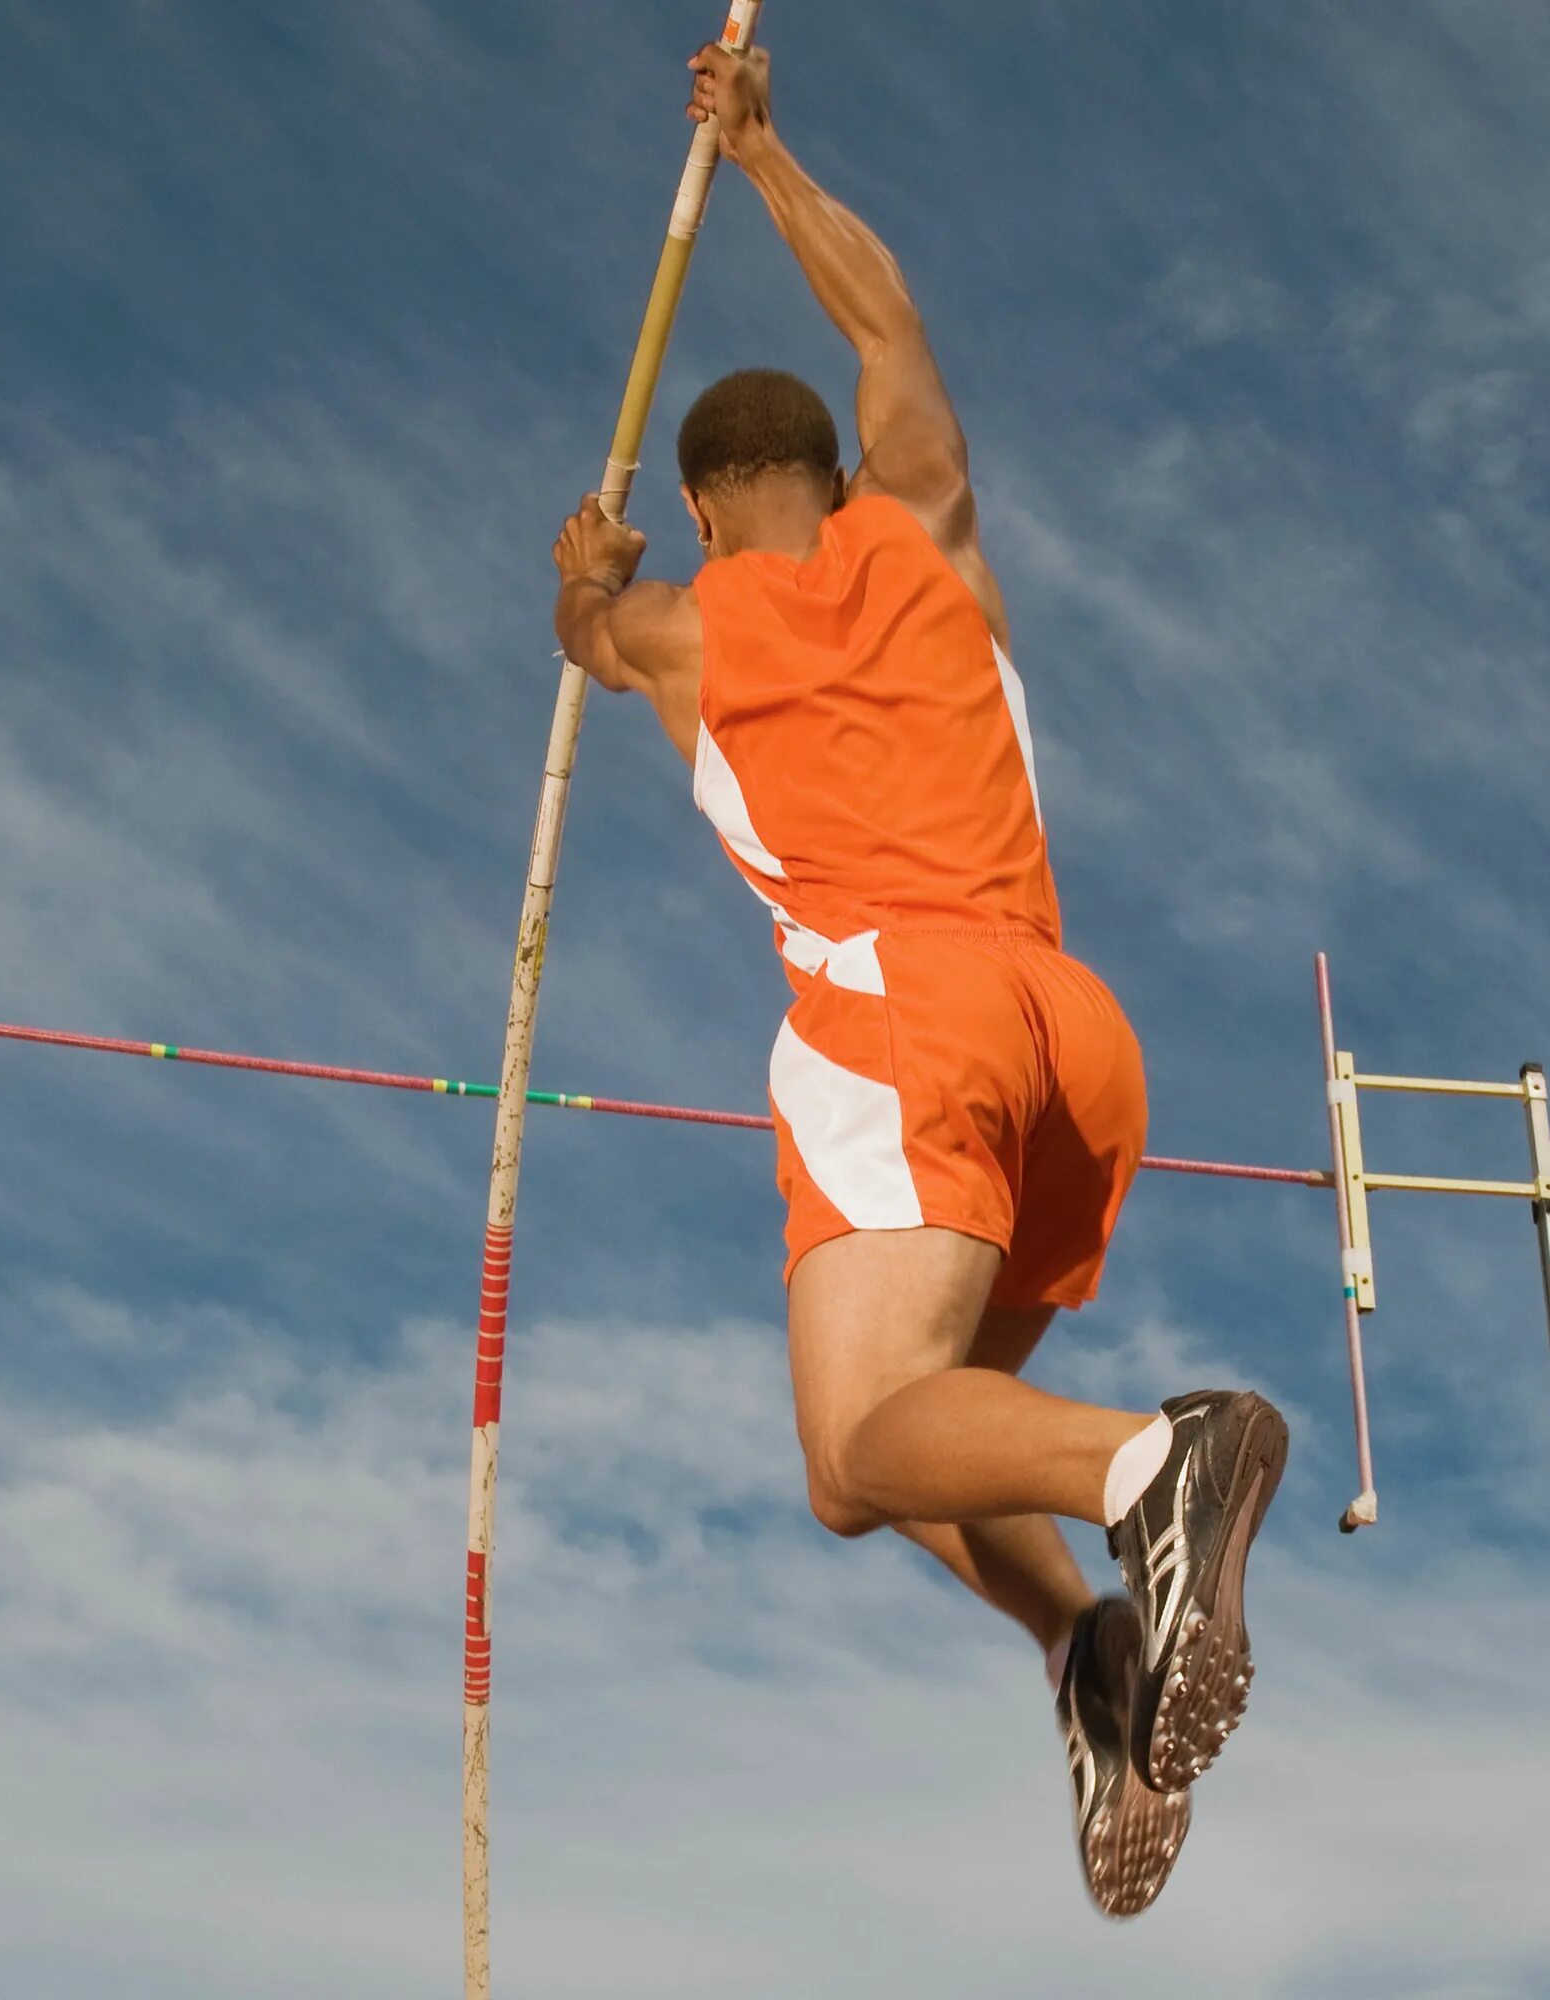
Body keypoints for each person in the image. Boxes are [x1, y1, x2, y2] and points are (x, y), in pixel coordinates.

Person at [548, 43, 1290, 1918]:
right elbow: (892, 315)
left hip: (898, 1025)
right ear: (832, 471)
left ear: (710, 508)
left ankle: (1157, 1461)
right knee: (883, 1457)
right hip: (1069, 1029)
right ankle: (1088, 1653)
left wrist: (585, 566)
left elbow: (572, 630)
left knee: (874, 1437)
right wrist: (770, 156)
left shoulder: (682, 631)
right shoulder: (932, 529)